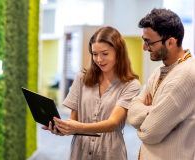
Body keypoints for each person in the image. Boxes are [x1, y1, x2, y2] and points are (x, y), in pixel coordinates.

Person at [42, 26, 141, 160]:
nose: (99, 59)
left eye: (105, 54)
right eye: (95, 54)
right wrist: (63, 129)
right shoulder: (81, 79)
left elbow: (112, 123)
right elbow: (74, 120)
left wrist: (78, 127)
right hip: (80, 151)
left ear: (119, 53)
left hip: (110, 153)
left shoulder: (131, 85)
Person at [127, 8, 195, 160]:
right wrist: (152, 112)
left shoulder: (185, 75)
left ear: (171, 42)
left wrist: (148, 120)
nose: (145, 47)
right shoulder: (160, 70)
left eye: (149, 42)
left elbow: (150, 133)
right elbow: (131, 113)